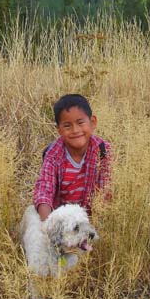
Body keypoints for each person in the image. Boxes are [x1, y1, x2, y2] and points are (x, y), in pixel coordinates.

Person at [34, 93, 112, 223]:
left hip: (92, 220)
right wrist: (48, 226)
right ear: (59, 129)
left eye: (80, 122)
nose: (75, 130)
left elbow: (106, 192)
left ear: (92, 122)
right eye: (67, 126)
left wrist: (96, 225)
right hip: (62, 222)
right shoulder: (54, 154)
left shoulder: (102, 151)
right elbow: (44, 191)